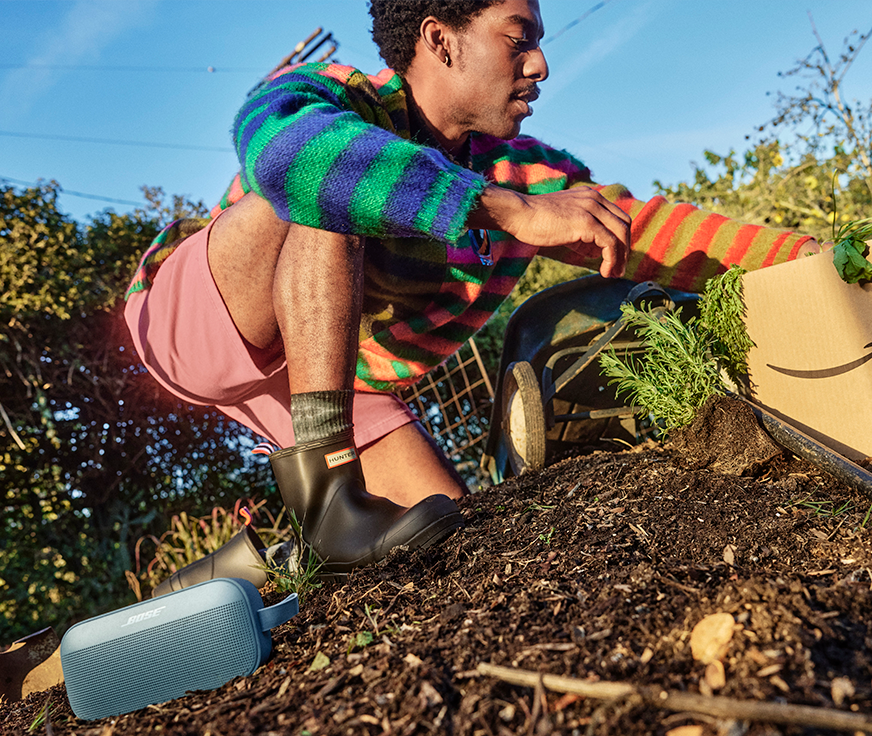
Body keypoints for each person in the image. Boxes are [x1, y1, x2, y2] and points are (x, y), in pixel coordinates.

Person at [124, 0, 821, 593]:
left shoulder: (530, 171)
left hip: (329, 378)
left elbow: (650, 231)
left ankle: (250, 564)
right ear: (439, 39)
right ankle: (330, 496)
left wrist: (810, 260)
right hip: (198, 323)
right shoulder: (333, 95)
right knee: (330, 181)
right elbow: (290, 158)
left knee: (450, 538)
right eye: (521, 39)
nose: (541, 64)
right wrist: (504, 209)